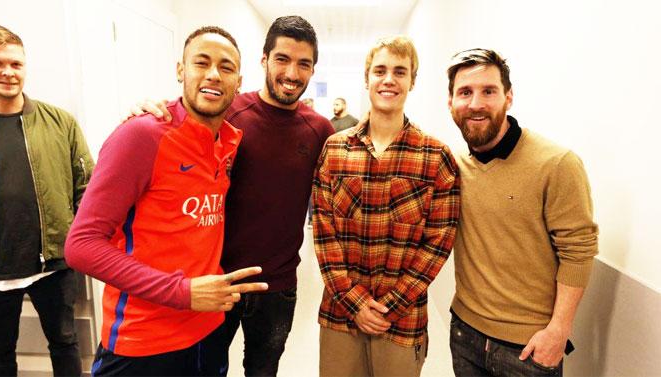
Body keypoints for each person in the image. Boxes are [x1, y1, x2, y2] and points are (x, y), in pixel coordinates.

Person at [129, 16, 333, 376]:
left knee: (263, 370)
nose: (292, 73)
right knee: (205, 369)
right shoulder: (229, 111)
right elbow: (177, 123)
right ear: (264, 60)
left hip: (277, 285)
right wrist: (145, 111)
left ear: (313, 69)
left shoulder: (319, 130)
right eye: (282, 59)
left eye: (304, 64)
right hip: (214, 280)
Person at [64, 26, 269, 375]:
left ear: (239, 81)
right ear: (180, 70)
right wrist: (182, 292)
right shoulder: (141, 135)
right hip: (143, 342)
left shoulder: (228, 142)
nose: (213, 75)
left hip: (207, 331)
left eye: (226, 67)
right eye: (201, 63)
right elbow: (81, 246)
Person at [312, 36, 461, 377]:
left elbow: (438, 242)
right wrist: (355, 301)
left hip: (402, 320)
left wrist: (390, 304)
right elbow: (324, 234)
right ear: (367, 79)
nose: (389, 79)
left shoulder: (435, 157)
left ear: (412, 80)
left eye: (399, 71)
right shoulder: (335, 151)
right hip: (340, 316)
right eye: (380, 70)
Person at [446, 48, 599, 377]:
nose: (476, 104)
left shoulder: (557, 164)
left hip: (527, 349)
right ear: (451, 103)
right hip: (465, 335)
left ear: (509, 97)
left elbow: (579, 251)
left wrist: (558, 332)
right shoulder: (453, 167)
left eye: (489, 91)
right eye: (465, 93)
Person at [0, 25, 92, 376]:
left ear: (25, 67)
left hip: (55, 262)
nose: (7, 72)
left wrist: (82, 240)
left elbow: (88, 188)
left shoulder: (59, 122)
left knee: (65, 343)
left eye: (16, 64)